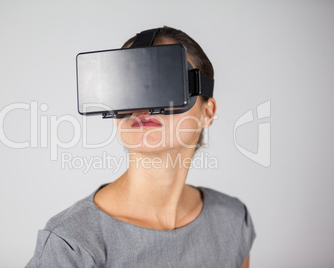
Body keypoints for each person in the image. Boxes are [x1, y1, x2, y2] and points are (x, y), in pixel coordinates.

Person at [26, 26, 256, 268]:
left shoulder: (232, 222)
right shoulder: (72, 244)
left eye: (165, 82)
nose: (143, 108)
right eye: (129, 86)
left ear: (207, 112)